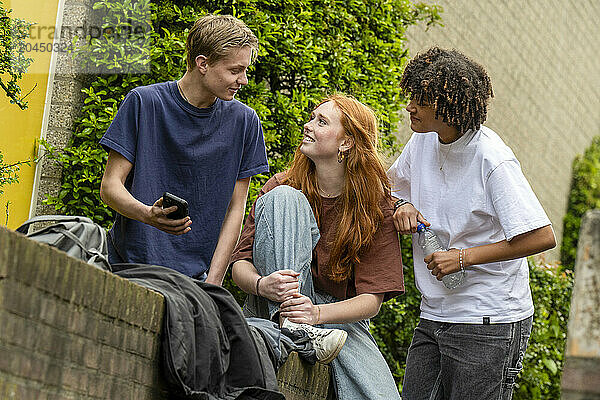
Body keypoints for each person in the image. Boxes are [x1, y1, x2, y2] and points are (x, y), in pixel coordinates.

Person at [387, 47, 556, 400]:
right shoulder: (422, 141)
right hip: (434, 312)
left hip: (488, 320)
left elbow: (542, 236)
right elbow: (387, 191)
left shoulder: (492, 159)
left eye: (420, 99)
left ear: (448, 105)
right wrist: (402, 204)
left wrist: (462, 258)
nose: (409, 107)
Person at [230, 93, 405, 400]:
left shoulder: (376, 206)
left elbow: (371, 301)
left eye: (321, 122)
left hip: (333, 318)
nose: (308, 126)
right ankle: (292, 327)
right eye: (312, 118)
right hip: (272, 307)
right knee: (286, 197)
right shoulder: (281, 185)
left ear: (346, 143)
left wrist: (316, 314)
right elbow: (239, 266)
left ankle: (301, 328)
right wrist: (261, 284)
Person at [99, 14, 268, 284]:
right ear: (203, 64)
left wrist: (212, 287)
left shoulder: (245, 122)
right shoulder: (143, 103)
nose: (244, 80)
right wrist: (147, 215)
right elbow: (110, 187)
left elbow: (235, 210)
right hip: (127, 269)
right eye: (235, 70)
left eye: (244, 70)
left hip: (194, 283)